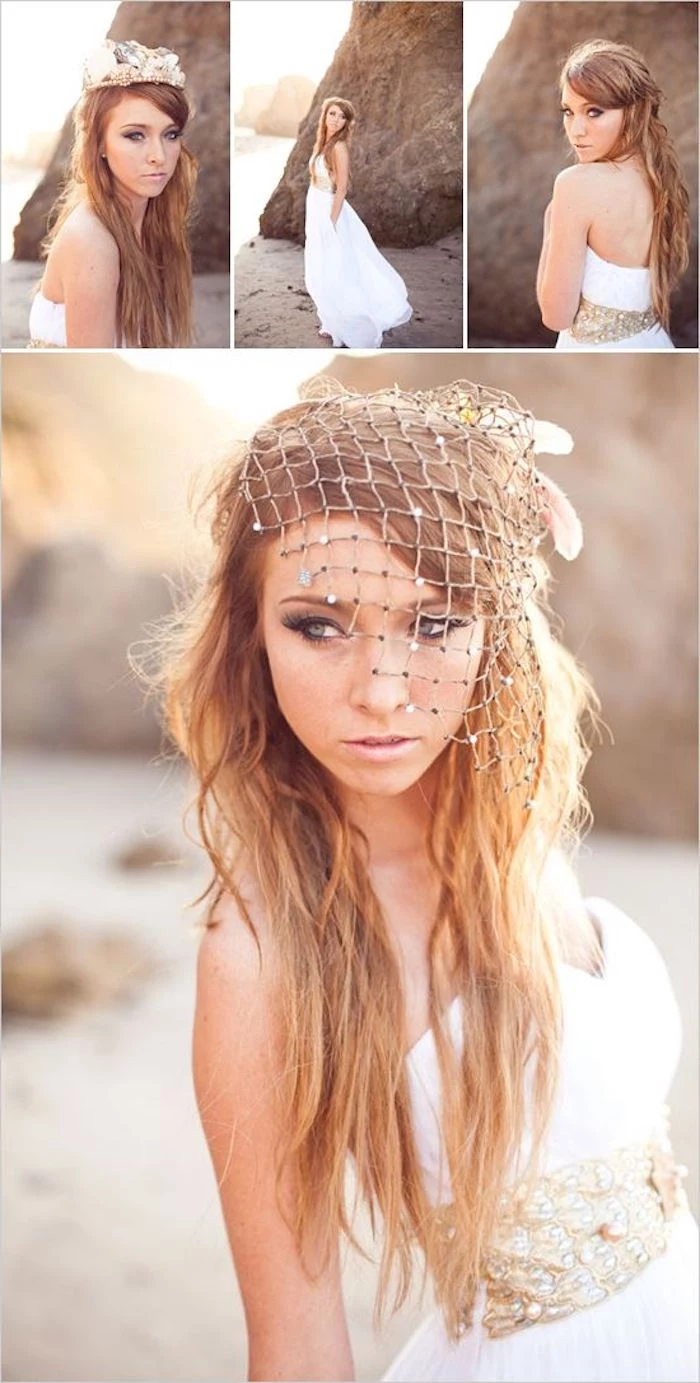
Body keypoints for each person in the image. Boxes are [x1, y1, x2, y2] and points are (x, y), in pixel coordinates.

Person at [162, 379, 698, 1382]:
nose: (381, 690)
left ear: (496, 634)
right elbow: (296, 1344)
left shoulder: (513, 835)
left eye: (435, 623)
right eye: (318, 625)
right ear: (249, 635)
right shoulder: (262, 952)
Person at [28, 39, 197, 349]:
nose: (159, 155)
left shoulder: (151, 226)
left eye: (171, 134)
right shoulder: (92, 243)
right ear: (100, 143)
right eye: (135, 135)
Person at [536, 40, 690, 350]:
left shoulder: (576, 184)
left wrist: (551, 223)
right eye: (568, 112)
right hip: (654, 345)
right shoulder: (659, 177)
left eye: (594, 112)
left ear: (632, 113)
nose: (576, 130)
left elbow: (556, 316)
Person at [304, 97, 412, 348]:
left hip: (331, 212)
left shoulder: (338, 147)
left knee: (337, 269)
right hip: (316, 207)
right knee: (321, 268)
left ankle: (348, 325)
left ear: (346, 123)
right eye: (332, 114)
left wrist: (330, 222)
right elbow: (315, 183)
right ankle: (331, 322)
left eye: (342, 117)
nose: (336, 120)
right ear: (325, 116)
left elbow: (341, 188)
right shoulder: (322, 144)